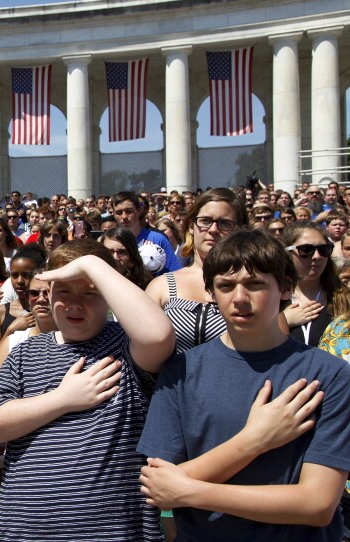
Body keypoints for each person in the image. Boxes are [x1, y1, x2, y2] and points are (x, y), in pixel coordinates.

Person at [137, 230, 350, 541]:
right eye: (225, 286)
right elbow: (157, 485)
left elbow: (317, 504)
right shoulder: (181, 370)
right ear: (210, 291)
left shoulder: (328, 373)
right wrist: (255, 440)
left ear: (286, 288)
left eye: (255, 284)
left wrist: (191, 492)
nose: (239, 298)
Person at [0, 239, 175, 540]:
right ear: (49, 290)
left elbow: (159, 335)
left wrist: (93, 266)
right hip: (27, 532)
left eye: (90, 292)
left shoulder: (128, 347)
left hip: (112, 533)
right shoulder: (25, 352)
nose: (74, 304)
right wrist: (62, 400)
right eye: (64, 290)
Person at [146, 188, 248, 354]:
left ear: (240, 230)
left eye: (225, 223)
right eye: (205, 220)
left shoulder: (255, 284)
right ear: (191, 227)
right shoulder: (162, 286)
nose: (214, 229)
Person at [282, 222, 350, 347]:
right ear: (287, 252)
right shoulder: (272, 297)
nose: (317, 256)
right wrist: (282, 322)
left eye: (324, 250)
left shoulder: (345, 298)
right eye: (306, 250)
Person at [0, 275, 57, 372]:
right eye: (34, 293)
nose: (41, 299)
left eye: (48, 293)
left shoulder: (77, 339)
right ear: (27, 297)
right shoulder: (11, 343)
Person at [111, 191, 181, 276]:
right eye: (119, 213)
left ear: (139, 211)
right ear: (113, 214)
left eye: (129, 211)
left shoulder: (158, 239)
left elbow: (175, 273)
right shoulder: (108, 241)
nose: (124, 216)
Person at [0, 245, 48, 342]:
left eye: (26, 275)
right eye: (15, 275)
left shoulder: (46, 310)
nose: (20, 281)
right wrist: (11, 330)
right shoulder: (0, 313)